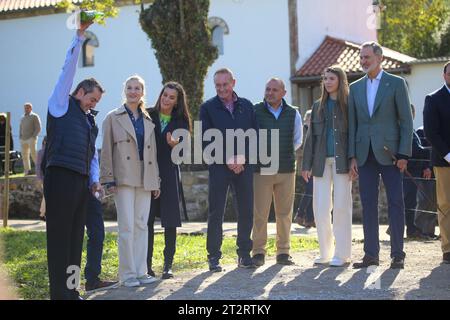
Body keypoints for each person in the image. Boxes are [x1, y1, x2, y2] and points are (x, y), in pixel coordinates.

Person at [44, 22, 104, 300]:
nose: (93, 103)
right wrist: (79, 36)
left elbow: (92, 155)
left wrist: (94, 181)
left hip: (80, 182)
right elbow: (66, 72)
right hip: (60, 177)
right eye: (91, 98)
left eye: (96, 101)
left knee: (75, 239)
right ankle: (59, 294)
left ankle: (72, 291)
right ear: (79, 92)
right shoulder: (60, 104)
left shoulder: (90, 121)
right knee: (59, 238)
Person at [349, 42, 413, 270]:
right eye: (361, 57)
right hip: (364, 154)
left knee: (396, 202)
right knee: (368, 204)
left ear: (379, 58)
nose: (363, 61)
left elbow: (406, 121)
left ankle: (397, 254)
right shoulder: (355, 87)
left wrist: (404, 153)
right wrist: (352, 157)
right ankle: (371, 255)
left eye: (367, 57)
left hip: (392, 155)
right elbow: (353, 124)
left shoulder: (396, 83)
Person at [100, 75, 161, 287]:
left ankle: (141, 271)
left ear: (142, 92)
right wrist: (108, 179)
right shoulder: (112, 117)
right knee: (126, 227)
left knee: (142, 225)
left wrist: (156, 182)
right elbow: (106, 151)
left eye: (137, 88)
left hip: (145, 177)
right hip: (123, 177)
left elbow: (152, 154)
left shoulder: (148, 120)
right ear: (124, 91)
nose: (133, 91)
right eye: (129, 88)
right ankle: (127, 275)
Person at [200, 68, 258, 271]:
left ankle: (244, 255)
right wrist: (228, 159)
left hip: (244, 165)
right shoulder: (207, 108)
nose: (222, 89)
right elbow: (206, 139)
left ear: (233, 82)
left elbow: (254, 136)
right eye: (218, 85)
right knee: (216, 211)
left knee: (246, 210)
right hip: (219, 167)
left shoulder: (247, 106)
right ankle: (214, 257)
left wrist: (243, 158)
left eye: (225, 84)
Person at [302, 66, 353, 267]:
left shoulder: (349, 104)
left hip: (343, 163)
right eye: (325, 78)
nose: (328, 82)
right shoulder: (317, 106)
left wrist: (353, 160)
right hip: (320, 163)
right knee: (321, 209)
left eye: (331, 78)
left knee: (341, 207)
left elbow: (354, 134)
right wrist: (305, 165)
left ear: (340, 80)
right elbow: (310, 138)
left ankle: (342, 254)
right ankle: (325, 252)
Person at [251, 78, 302, 267]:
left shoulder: (293, 113)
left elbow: (297, 140)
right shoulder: (255, 111)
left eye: (274, 90)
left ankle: (283, 252)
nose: (270, 92)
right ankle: (258, 252)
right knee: (260, 213)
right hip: (261, 169)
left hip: (287, 169)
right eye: (267, 89)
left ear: (283, 93)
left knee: (284, 213)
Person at [146, 82, 192, 279]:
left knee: (170, 221)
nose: (166, 99)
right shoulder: (147, 114)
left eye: (171, 97)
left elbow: (184, 154)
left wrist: (175, 147)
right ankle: (146, 265)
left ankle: (168, 265)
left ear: (177, 102)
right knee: (146, 220)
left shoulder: (181, 122)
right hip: (148, 173)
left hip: (169, 173)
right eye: (164, 95)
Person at [423, 60, 450, 264]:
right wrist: (448, 155)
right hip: (444, 161)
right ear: (444, 76)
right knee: (446, 205)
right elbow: (431, 133)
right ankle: (448, 248)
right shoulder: (433, 99)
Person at [294, 110, 315, 228]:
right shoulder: (303, 131)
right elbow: (298, 150)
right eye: (310, 118)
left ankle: (309, 219)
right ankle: (300, 215)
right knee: (309, 191)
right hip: (304, 167)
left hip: (312, 167)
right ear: (307, 119)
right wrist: (308, 153)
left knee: (311, 192)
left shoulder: (312, 131)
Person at [19, 103, 41, 175]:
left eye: (28, 108)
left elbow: (38, 128)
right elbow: (20, 128)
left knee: (33, 154)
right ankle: (27, 171)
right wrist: (20, 137)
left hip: (31, 138)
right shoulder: (22, 118)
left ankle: (39, 170)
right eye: (25, 108)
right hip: (23, 139)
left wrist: (34, 136)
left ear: (31, 108)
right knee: (24, 156)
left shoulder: (34, 116)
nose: (26, 109)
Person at [35, 136, 46, 221]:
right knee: (46, 196)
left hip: (45, 177)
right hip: (44, 177)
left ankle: (42, 213)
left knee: (45, 196)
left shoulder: (41, 152)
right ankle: (42, 213)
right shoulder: (41, 152)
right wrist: (39, 178)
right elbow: (38, 166)